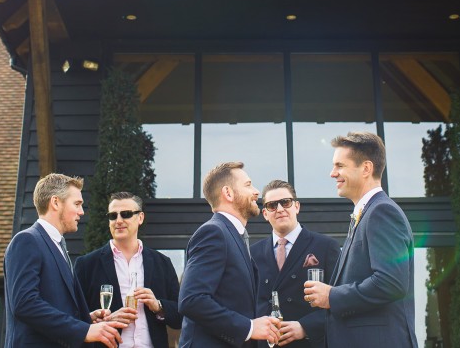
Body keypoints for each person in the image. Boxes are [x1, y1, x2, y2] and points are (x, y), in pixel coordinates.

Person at [303, 132, 418, 347]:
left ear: (366, 168)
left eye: (339, 166)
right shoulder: (366, 214)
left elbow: (391, 282)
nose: (332, 173)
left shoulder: (381, 212)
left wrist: (332, 296)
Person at [4, 172, 125, 348]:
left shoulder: (58, 246)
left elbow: (53, 305)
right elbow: (25, 303)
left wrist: (84, 319)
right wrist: (82, 330)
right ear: (55, 202)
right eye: (77, 204)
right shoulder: (27, 241)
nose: (81, 212)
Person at [178, 161, 281, 347]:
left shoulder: (233, 235)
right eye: (248, 185)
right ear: (228, 193)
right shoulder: (213, 233)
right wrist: (249, 328)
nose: (256, 192)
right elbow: (191, 300)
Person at [75, 191, 183, 348]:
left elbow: (180, 316)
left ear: (140, 218)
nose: (118, 220)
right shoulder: (87, 265)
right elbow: (74, 318)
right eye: (113, 216)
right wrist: (106, 320)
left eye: (125, 214)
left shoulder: (162, 263)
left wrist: (158, 306)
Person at [250, 180, 341, 347]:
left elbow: (342, 301)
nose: (279, 209)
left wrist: (305, 327)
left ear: (297, 206)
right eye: (272, 205)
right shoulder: (252, 254)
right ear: (265, 213)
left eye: (285, 202)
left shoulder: (326, 247)